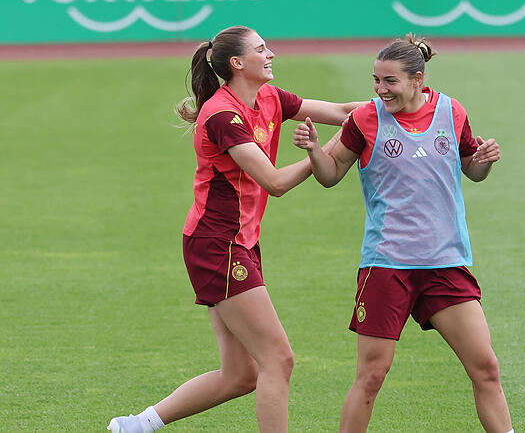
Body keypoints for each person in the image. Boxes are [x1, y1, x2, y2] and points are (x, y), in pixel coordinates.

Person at [107, 26, 362, 433]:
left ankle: (135, 425)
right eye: (262, 49)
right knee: (278, 360)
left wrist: (395, 103)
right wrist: (327, 151)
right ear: (237, 63)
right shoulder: (223, 115)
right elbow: (274, 183)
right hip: (217, 245)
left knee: (240, 375)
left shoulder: (269, 98)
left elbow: (343, 111)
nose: (272, 53)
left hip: (236, 242)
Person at [293, 34, 514, 433]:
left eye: (389, 81)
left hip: (446, 263)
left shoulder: (453, 111)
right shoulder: (365, 119)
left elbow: (472, 170)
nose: (380, 90)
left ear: (417, 79)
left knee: (486, 368)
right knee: (371, 377)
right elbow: (329, 176)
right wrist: (313, 151)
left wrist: (485, 162)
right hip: (386, 265)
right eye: (376, 80)